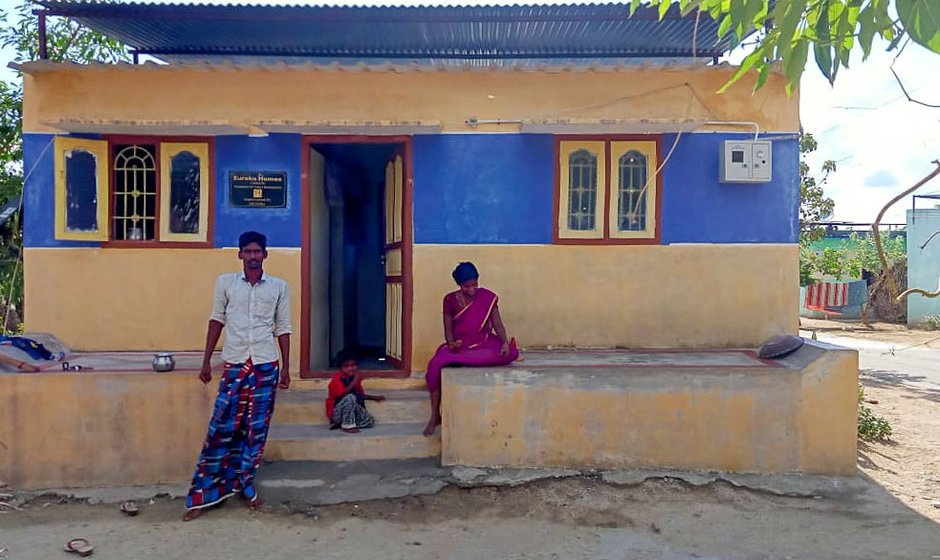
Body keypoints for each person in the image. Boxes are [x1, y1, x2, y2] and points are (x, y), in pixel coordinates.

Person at [182, 231, 292, 522]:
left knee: (255, 431)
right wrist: (206, 361)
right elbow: (216, 320)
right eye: (248, 251)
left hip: (266, 365)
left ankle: (246, 484)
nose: (253, 256)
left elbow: (283, 327)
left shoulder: (279, 287)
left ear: (265, 255)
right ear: (240, 255)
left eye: (258, 251)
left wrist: (287, 367)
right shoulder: (226, 283)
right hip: (234, 364)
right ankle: (204, 494)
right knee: (222, 428)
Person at [423, 262, 519, 436]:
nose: (472, 289)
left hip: (484, 342)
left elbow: (497, 322)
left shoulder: (487, 297)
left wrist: (505, 341)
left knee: (509, 353)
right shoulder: (450, 300)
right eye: (467, 286)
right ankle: (435, 415)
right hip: (460, 347)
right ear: (459, 285)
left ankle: (469, 359)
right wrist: (451, 343)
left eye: (475, 284)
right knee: (434, 366)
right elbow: (448, 328)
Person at [325, 350, 386, 433]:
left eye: (353, 365)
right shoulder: (337, 380)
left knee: (369, 421)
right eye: (346, 366)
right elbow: (343, 394)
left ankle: (345, 423)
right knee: (350, 397)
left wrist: (374, 397)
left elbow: (359, 394)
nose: (350, 368)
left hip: (350, 413)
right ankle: (347, 425)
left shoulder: (354, 378)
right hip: (337, 413)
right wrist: (355, 381)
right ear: (341, 368)